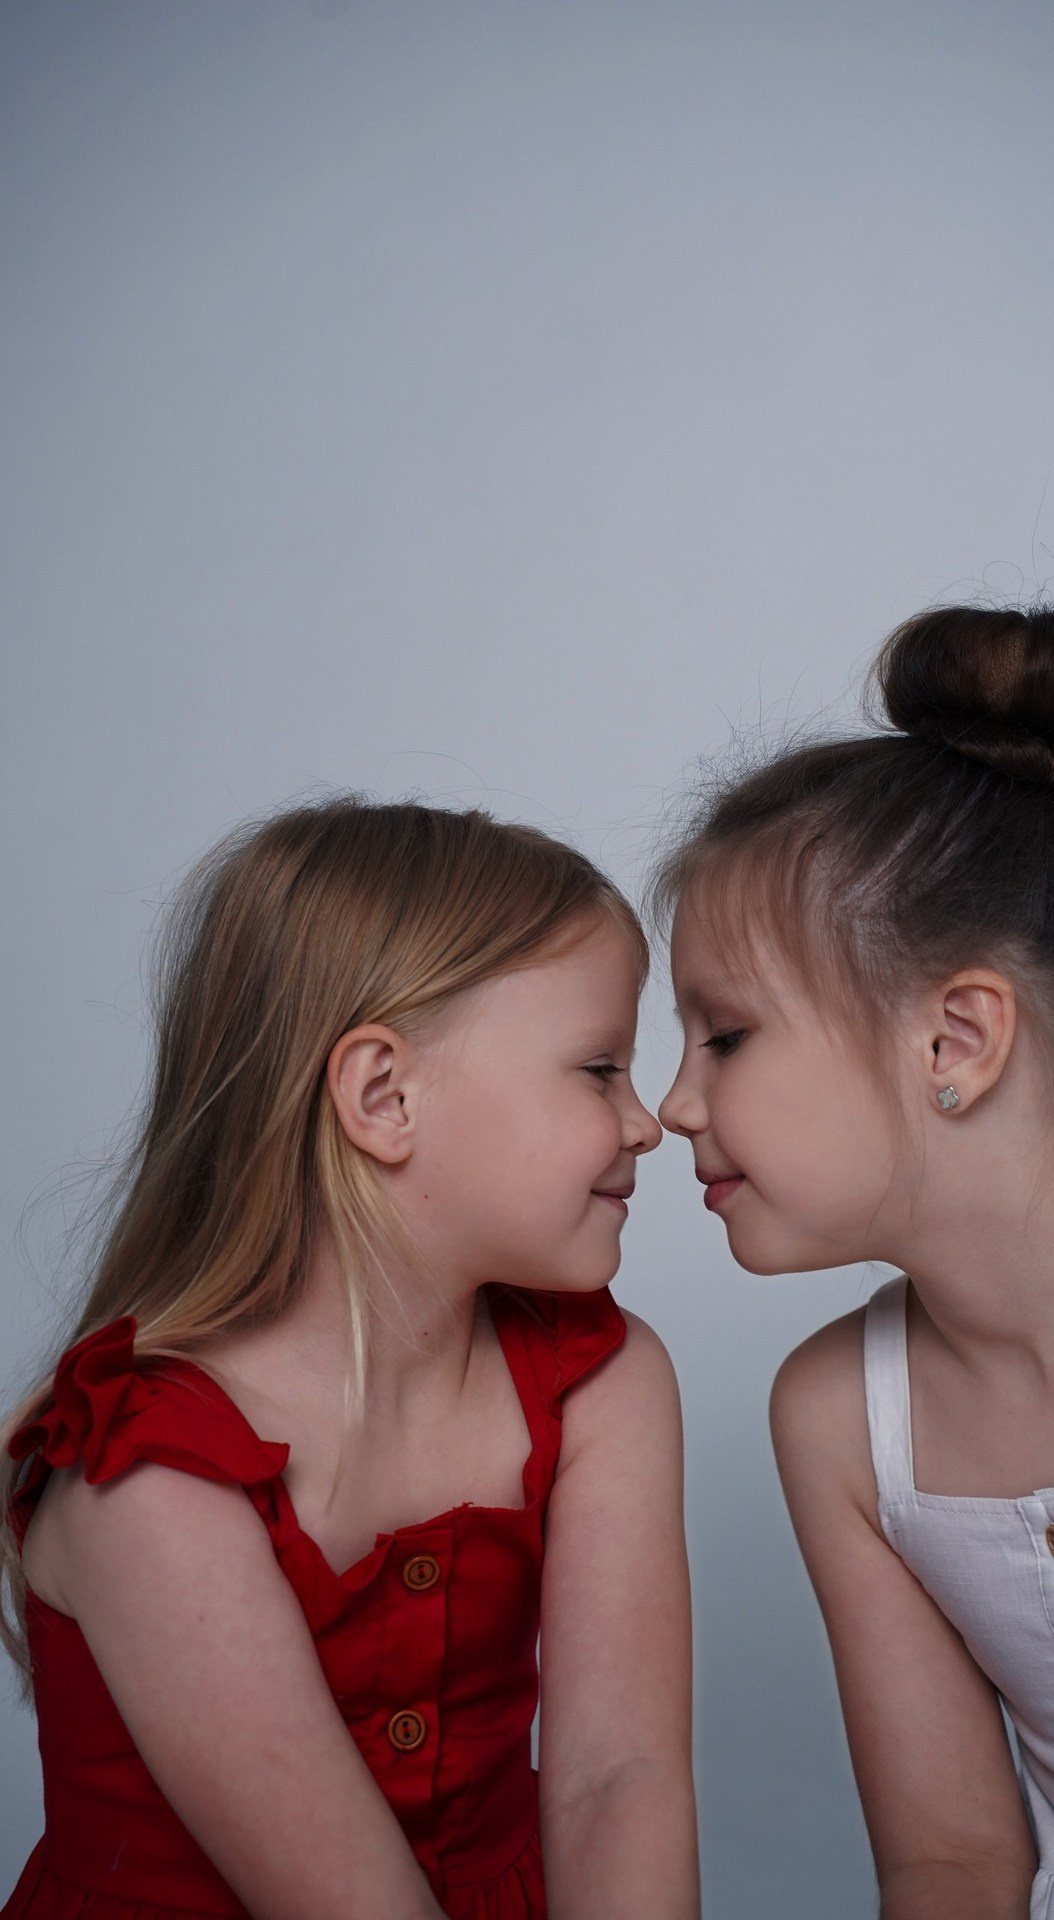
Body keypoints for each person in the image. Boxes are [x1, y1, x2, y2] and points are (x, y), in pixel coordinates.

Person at [656, 605, 1054, 1920]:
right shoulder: (836, 1416)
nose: (672, 1104)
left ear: (956, 1039)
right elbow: (950, 1863)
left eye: (725, 1037)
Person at [1, 798, 698, 1920]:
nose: (645, 1121)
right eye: (597, 1067)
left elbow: (619, 1781)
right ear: (384, 1097)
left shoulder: (602, 1382)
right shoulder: (150, 1477)